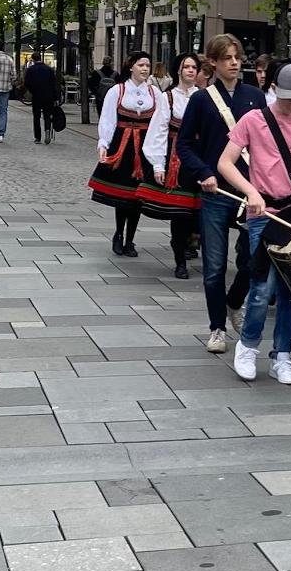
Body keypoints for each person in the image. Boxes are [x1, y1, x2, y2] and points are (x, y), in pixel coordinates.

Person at [218, 63, 291, 384]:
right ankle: (247, 346)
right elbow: (225, 163)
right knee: (261, 287)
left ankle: (282, 355)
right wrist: (250, 191)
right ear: (274, 90)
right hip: (263, 213)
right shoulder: (254, 120)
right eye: (287, 97)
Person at [176, 33, 266, 353]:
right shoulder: (201, 99)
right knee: (214, 266)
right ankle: (217, 327)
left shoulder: (255, 96)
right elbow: (184, 144)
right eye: (227, 58)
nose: (235, 63)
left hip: (250, 192)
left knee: (255, 260)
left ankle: (233, 302)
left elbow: (266, 143)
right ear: (212, 62)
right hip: (215, 192)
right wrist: (204, 172)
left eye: (238, 57)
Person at [88, 50, 161, 257]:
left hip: (144, 148)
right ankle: (119, 234)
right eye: (141, 65)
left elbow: (159, 124)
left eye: (147, 65)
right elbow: (108, 119)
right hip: (123, 146)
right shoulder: (117, 91)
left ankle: (130, 239)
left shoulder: (155, 94)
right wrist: (103, 143)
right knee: (122, 195)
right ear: (131, 67)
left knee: (138, 196)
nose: (145, 69)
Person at [137, 52, 202, 279]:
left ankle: (193, 244)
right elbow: (158, 130)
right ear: (178, 70)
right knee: (179, 213)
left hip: (199, 158)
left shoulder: (204, 97)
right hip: (177, 159)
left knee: (198, 212)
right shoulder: (168, 98)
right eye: (186, 67)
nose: (190, 71)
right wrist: (158, 164)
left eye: (194, 67)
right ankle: (180, 261)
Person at [23, 51, 59, 145]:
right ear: (40, 58)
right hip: (48, 96)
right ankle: (47, 130)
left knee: (36, 116)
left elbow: (27, 83)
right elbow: (53, 85)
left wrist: (33, 91)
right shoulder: (48, 69)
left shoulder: (31, 70)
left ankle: (37, 137)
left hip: (37, 96)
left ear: (33, 59)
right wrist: (55, 98)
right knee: (47, 115)